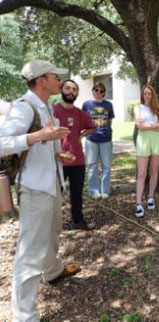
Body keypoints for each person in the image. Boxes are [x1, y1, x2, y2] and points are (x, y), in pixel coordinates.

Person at [0, 59, 81, 321]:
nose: (60, 80)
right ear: (41, 80)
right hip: (34, 188)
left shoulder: (46, 107)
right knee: (30, 252)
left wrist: (60, 154)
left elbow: (44, 144)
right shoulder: (24, 107)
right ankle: (25, 316)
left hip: (51, 184)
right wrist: (39, 137)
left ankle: (52, 271)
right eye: (55, 76)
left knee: (53, 231)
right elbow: (2, 143)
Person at [53, 79, 96, 229]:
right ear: (61, 90)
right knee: (54, 195)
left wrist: (81, 136)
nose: (71, 91)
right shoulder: (53, 111)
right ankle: (54, 225)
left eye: (74, 89)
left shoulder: (80, 113)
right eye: (67, 88)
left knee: (76, 194)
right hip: (58, 162)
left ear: (77, 93)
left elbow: (92, 126)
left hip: (78, 161)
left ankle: (78, 221)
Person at [134, 84, 159, 218]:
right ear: (142, 95)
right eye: (145, 93)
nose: (147, 96)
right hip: (143, 141)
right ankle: (138, 203)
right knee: (141, 173)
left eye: (149, 93)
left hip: (157, 141)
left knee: (154, 171)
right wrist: (155, 125)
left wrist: (149, 126)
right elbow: (139, 126)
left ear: (153, 95)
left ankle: (151, 197)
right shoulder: (138, 108)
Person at [82, 82, 115, 199]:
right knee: (92, 166)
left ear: (104, 93)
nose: (98, 92)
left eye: (101, 91)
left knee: (106, 166)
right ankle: (94, 191)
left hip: (106, 139)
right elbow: (84, 121)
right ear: (93, 91)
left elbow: (110, 121)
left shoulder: (108, 105)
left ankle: (105, 190)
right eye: (96, 90)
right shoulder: (86, 105)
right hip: (91, 140)